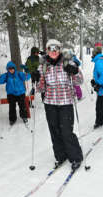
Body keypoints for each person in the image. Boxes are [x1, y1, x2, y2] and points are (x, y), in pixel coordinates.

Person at [37, 39, 83, 171]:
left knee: (66, 131)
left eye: (56, 48)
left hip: (65, 103)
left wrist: (75, 71)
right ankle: (61, 155)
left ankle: (75, 157)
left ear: (59, 49)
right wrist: (36, 78)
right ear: (47, 50)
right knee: (54, 131)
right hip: (50, 103)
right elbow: (41, 89)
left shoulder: (67, 62)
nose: (53, 51)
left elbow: (79, 81)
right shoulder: (43, 66)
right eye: (50, 49)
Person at [0, 61, 31, 126]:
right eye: (9, 69)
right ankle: (12, 119)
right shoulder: (6, 75)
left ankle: (24, 117)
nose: (11, 70)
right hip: (11, 94)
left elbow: (26, 77)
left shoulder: (19, 74)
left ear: (14, 68)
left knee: (22, 105)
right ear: (7, 69)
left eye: (12, 68)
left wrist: (27, 71)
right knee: (12, 107)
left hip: (21, 92)